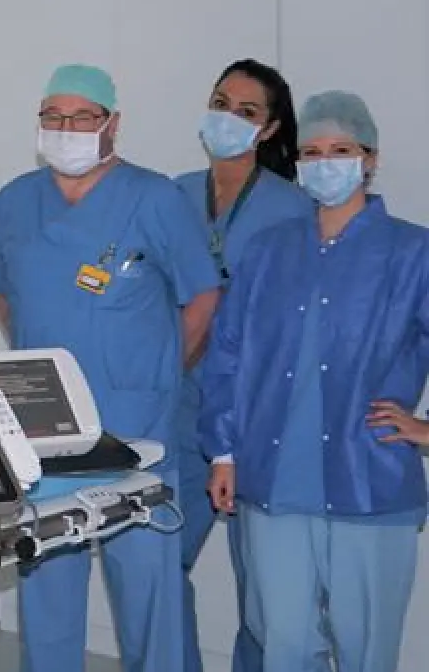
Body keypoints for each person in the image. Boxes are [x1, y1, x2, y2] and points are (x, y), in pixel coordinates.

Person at [0, 63, 220, 672]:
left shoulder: (156, 199)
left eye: (82, 116)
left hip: (138, 430)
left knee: (147, 594)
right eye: (53, 116)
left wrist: (158, 373)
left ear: (112, 123)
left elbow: (203, 298)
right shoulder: (13, 203)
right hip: (44, 433)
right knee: (49, 587)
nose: (67, 128)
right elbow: (7, 297)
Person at [201, 91, 429, 672]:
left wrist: (425, 431)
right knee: (282, 641)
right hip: (275, 481)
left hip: (369, 482)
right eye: (312, 152)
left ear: (369, 159)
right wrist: (223, 451)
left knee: (365, 645)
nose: (325, 162)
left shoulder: (411, 252)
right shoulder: (270, 251)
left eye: (341, 150)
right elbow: (228, 352)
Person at [173, 59, 311, 672]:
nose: (227, 117)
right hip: (177, 410)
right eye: (219, 101)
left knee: (264, 589)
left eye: (246, 111)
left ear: (269, 129)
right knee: (157, 562)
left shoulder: (293, 210)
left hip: (258, 418)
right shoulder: (172, 195)